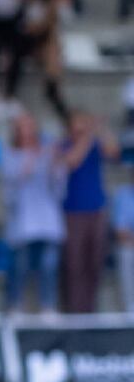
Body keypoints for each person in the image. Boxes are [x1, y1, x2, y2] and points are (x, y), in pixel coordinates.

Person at [2, 113, 66, 314]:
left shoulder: (48, 155)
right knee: (19, 267)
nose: (27, 132)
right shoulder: (9, 155)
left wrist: (55, 165)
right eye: (23, 127)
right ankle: (15, 306)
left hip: (47, 221)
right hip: (22, 221)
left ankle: (48, 306)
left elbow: (59, 190)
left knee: (49, 267)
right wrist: (32, 158)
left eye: (30, 127)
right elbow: (10, 189)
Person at [59, 111, 121, 313]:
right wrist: (87, 136)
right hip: (73, 212)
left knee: (95, 262)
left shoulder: (95, 144)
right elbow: (72, 161)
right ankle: (75, 310)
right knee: (75, 264)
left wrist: (101, 130)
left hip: (97, 211)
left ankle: (90, 309)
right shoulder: (64, 145)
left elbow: (114, 152)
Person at [113, 164, 134, 313]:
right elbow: (120, 231)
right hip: (129, 244)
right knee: (126, 253)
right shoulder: (123, 195)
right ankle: (130, 307)